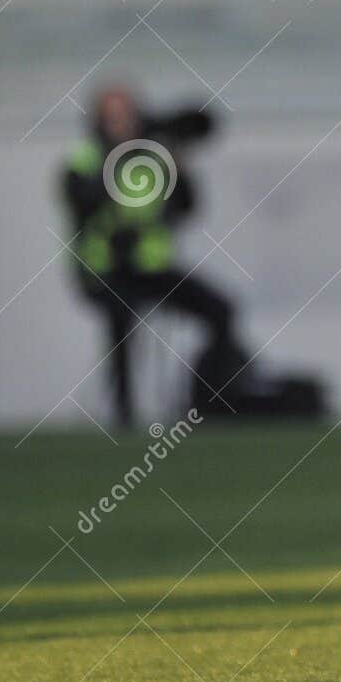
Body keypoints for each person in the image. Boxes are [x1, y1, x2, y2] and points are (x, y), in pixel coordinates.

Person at [60, 86, 244, 428]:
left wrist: (176, 160)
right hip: (106, 271)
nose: (122, 124)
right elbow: (79, 200)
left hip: (152, 268)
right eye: (113, 116)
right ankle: (123, 415)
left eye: (127, 115)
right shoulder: (86, 157)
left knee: (221, 310)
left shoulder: (155, 156)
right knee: (121, 319)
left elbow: (187, 206)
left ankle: (207, 404)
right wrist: (120, 156)